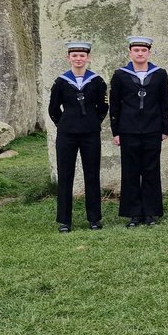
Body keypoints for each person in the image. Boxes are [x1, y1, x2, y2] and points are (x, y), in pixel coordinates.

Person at [110, 36, 168, 227]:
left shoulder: (160, 73)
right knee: (130, 172)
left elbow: (164, 103)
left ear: (149, 53)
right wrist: (116, 131)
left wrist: (165, 127)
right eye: (136, 50)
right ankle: (134, 213)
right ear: (130, 53)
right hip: (128, 130)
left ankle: (151, 212)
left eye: (144, 50)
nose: (140, 53)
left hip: (153, 129)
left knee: (151, 170)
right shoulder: (120, 75)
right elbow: (114, 105)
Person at [48, 41, 108, 233]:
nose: (78, 59)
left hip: (90, 133)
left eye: (82, 55)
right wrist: (65, 123)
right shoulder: (61, 82)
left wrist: (91, 121)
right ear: (68, 58)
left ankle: (94, 218)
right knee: (65, 176)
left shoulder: (97, 81)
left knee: (92, 175)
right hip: (67, 134)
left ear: (88, 58)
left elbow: (103, 107)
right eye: (74, 55)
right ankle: (65, 221)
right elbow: (53, 109)